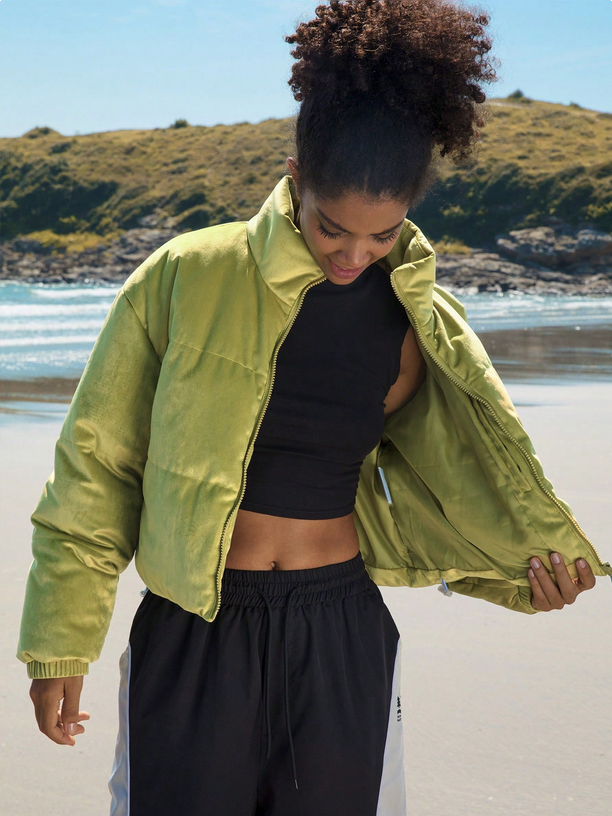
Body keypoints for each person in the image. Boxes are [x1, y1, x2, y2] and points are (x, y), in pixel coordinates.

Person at [18, 2, 610, 815]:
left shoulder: (422, 319)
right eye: (334, 229)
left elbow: (456, 485)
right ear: (296, 175)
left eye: (380, 237)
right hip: (197, 625)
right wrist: (60, 640)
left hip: (341, 626)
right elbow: (97, 468)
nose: (352, 256)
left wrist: (522, 575)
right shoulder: (186, 275)